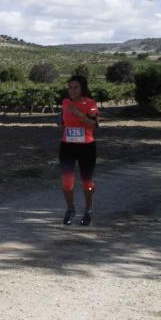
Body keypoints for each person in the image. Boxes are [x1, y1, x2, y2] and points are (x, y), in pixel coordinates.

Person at [58, 75, 99, 226]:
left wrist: (78, 114)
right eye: (70, 87)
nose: (72, 90)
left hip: (86, 147)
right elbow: (62, 120)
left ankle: (88, 210)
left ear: (82, 88)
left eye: (76, 87)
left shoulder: (91, 104)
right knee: (67, 181)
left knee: (86, 182)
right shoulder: (65, 102)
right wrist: (60, 124)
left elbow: (94, 126)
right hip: (67, 146)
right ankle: (70, 209)